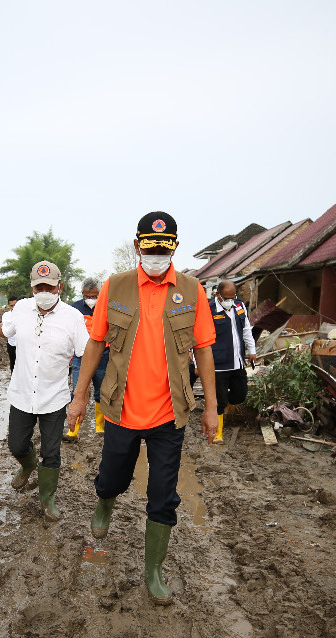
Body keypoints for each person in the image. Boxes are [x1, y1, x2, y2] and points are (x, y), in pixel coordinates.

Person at [67, 211, 218, 606]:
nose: (155, 256)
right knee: (112, 474)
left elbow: (203, 348)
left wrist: (211, 406)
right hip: (121, 408)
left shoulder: (192, 289)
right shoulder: (114, 287)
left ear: (175, 249)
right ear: (137, 246)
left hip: (170, 413)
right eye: (148, 249)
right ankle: (105, 503)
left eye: (162, 250)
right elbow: (96, 343)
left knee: (162, 493)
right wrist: (80, 396)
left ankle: (153, 571)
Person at [0, 261, 89, 521]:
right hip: (22, 394)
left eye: (49, 287)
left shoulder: (72, 317)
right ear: (32, 287)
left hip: (54, 397)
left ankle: (47, 500)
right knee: (16, 445)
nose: (44, 291)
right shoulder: (23, 309)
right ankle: (27, 466)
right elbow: (6, 331)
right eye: (39, 287)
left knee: (51, 453)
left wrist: (80, 395)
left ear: (59, 287)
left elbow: (86, 353)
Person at [209, 280, 256, 443]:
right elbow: (200, 338)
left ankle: (217, 410)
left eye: (233, 296)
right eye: (226, 297)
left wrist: (252, 351)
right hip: (219, 364)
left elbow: (246, 330)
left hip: (237, 362)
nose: (230, 300)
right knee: (220, 400)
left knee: (239, 395)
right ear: (218, 295)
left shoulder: (239, 306)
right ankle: (218, 433)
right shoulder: (209, 309)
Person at [63, 278, 110, 441]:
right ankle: (73, 431)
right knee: (77, 392)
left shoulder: (107, 307)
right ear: (82, 294)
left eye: (94, 296)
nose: (90, 299)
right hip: (79, 357)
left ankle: (100, 427)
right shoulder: (74, 309)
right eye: (87, 296)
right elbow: (68, 333)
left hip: (103, 356)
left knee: (101, 391)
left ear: (100, 294)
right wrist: (69, 354)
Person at [5, 296, 18, 372]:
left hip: (23, 344)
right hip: (11, 343)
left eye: (15, 305)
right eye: (11, 305)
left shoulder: (25, 315)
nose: (13, 307)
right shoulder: (6, 316)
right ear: (9, 306)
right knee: (13, 363)